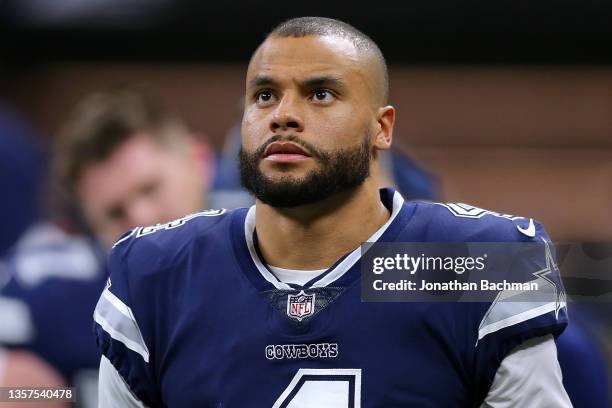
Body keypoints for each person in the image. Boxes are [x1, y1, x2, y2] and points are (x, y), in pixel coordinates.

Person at [95, 17, 571, 407]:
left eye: (320, 93)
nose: (283, 114)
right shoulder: (157, 273)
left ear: (382, 129)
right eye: (264, 95)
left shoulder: (480, 262)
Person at [0, 87, 214, 407]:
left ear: (200, 160)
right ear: (89, 225)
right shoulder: (54, 287)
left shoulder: (276, 240)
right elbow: (14, 392)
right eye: (114, 213)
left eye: (150, 188)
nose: (142, 218)